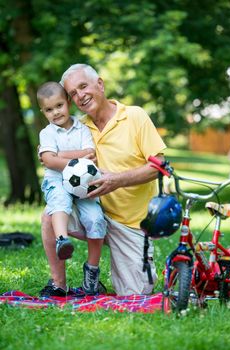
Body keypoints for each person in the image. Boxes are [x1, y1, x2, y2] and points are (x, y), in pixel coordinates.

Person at [40, 64, 166, 297]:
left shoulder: (135, 116)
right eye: (73, 93)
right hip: (92, 210)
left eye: (83, 86)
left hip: (131, 224)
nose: (80, 96)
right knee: (51, 214)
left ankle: (101, 278)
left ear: (100, 84)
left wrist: (117, 180)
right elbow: (50, 153)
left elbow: (158, 167)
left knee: (137, 293)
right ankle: (58, 283)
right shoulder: (78, 127)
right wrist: (51, 156)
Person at [37, 81, 107, 295]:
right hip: (56, 181)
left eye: (59, 106)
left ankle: (92, 273)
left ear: (68, 102)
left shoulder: (82, 129)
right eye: (49, 110)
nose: (55, 112)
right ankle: (61, 240)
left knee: (96, 218)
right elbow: (49, 162)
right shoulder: (47, 133)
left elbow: (90, 154)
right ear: (43, 112)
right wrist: (75, 157)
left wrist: (58, 155)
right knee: (59, 201)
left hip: (83, 183)